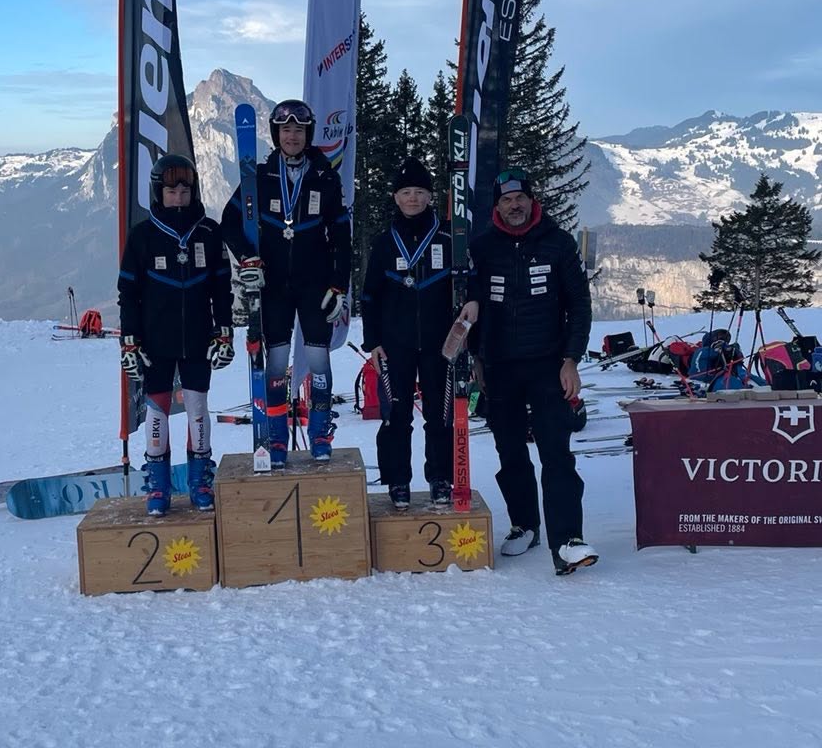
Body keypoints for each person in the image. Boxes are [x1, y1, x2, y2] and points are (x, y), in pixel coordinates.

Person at [459, 170, 597, 575]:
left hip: (549, 365)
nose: (514, 205)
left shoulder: (558, 242)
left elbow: (580, 306)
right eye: (506, 200)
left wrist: (571, 358)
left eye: (520, 198)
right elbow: (472, 309)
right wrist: (478, 359)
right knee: (510, 451)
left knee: (557, 452)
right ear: (496, 206)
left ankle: (568, 540)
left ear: (531, 201)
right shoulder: (483, 248)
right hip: (500, 366)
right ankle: (524, 524)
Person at [221, 99, 351, 466]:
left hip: (316, 284)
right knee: (276, 364)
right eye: (285, 130)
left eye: (298, 130)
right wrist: (247, 257)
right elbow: (228, 224)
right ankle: (277, 439)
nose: (292, 136)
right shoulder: (259, 177)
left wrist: (339, 284)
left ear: (307, 135)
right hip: (273, 284)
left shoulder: (325, 178)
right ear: (276, 134)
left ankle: (320, 432)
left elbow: (342, 236)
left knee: (317, 360)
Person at [117, 153, 234, 516]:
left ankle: (200, 480)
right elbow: (128, 294)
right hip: (155, 341)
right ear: (158, 193)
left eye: (185, 189)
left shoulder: (209, 232)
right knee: (158, 411)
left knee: (198, 407)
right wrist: (130, 340)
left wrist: (224, 330)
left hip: (198, 337)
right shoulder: (143, 235)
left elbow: (222, 287)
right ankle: (158, 484)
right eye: (171, 190)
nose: (179, 196)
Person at [359, 156, 454, 510]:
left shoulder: (447, 237)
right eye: (406, 192)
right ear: (396, 198)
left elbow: (463, 292)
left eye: (419, 192)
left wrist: (463, 339)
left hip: (440, 345)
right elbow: (369, 296)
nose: (413, 198)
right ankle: (398, 480)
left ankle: (440, 477)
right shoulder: (385, 241)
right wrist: (373, 342)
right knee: (395, 415)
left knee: (438, 415)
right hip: (394, 345)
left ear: (430, 196)